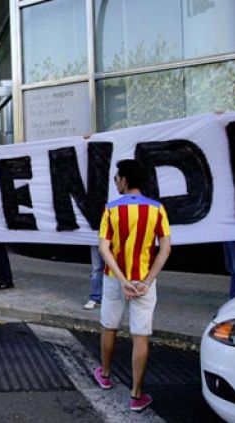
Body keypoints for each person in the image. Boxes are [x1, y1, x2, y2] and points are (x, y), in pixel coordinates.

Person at [93, 159, 171, 413]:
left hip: (115, 279)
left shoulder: (111, 210)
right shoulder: (158, 209)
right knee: (141, 336)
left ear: (125, 181)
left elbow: (104, 248)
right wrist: (147, 281)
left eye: (117, 178)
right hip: (144, 282)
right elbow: (165, 249)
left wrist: (122, 279)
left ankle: (105, 374)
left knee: (109, 326)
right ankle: (136, 395)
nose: (116, 182)